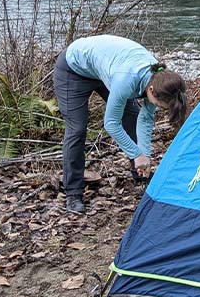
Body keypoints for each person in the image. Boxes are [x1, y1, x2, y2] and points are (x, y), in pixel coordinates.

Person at [52, 34, 188, 214]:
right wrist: (135, 152)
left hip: (106, 68)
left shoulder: (160, 78)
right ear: (151, 89)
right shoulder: (126, 80)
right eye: (157, 104)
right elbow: (111, 123)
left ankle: (140, 174)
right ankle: (73, 193)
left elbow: (145, 120)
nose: (155, 106)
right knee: (77, 130)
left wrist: (144, 156)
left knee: (133, 117)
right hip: (73, 69)